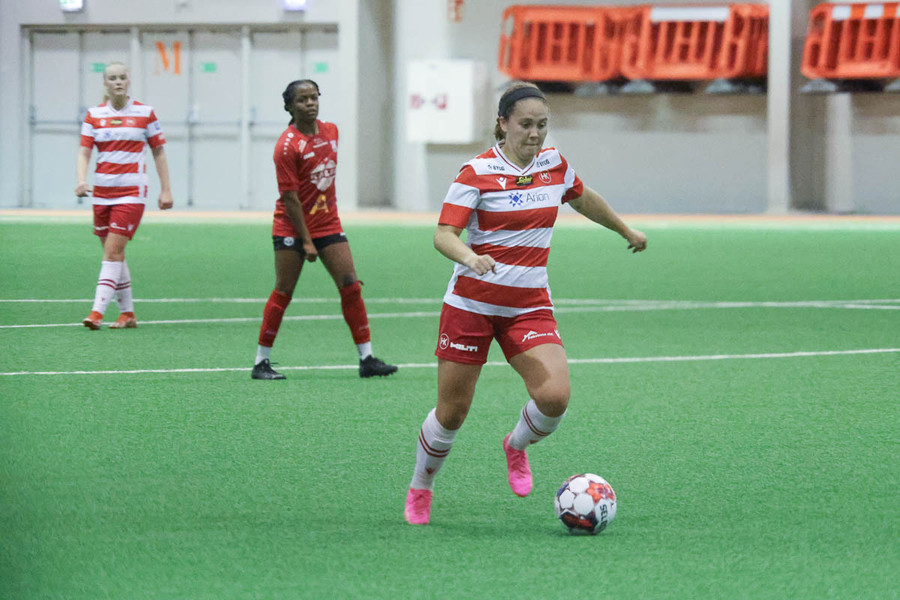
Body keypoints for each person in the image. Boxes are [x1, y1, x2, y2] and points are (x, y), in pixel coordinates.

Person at [404, 81, 648, 525]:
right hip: (471, 306)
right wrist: (470, 258)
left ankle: (515, 445)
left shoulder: (553, 164)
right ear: (502, 124)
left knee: (554, 397)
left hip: (528, 306)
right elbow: (443, 235)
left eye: (542, 125)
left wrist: (624, 229)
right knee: (452, 412)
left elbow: (583, 199)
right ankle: (422, 486)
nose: (535, 134)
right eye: (525, 125)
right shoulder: (475, 172)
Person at [251, 79, 398, 380]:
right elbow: (290, 198)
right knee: (283, 291)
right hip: (292, 226)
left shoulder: (331, 132)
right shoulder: (286, 147)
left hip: (328, 223)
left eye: (314, 97)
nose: (310, 104)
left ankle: (367, 358)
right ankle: (260, 362)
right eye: (302, 100)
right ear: (289, 106)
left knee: (351, 285)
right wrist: (307, 241)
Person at [76, 61, 174, 330]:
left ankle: (96, 312)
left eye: (122, 77)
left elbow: (158, 151)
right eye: (112, 78)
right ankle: (127, 314)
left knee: (112, 251)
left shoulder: (145, 113)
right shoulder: (94, 115)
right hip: (102, 193)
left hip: (131, 193)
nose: (118, 82)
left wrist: (166, 189)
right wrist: (81, 180)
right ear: (105, 83)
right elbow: (84, 151)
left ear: (128, 81)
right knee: (115, 254)